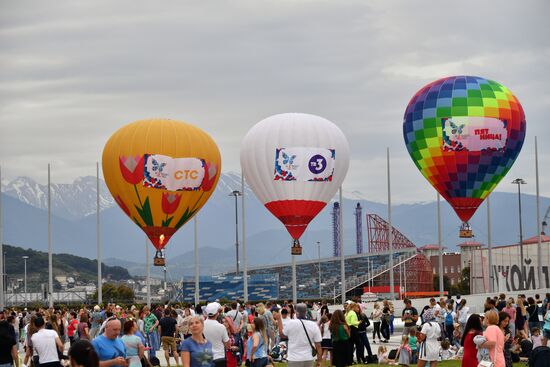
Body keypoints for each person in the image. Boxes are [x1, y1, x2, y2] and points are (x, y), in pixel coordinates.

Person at [277, 303, 322, 367]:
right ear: (306, 312)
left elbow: (282, 335)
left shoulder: (291, 323)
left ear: (296, 312)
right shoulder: (313, 325)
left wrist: (279, 319)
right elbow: (318, 345)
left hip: (294, 358)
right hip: (308, 358)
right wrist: (319, 360)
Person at [203, 303, 230, 367]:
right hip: (219, 357)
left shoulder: (202, 325)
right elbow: (227, 345)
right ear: (217, 313)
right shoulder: (221, 327)